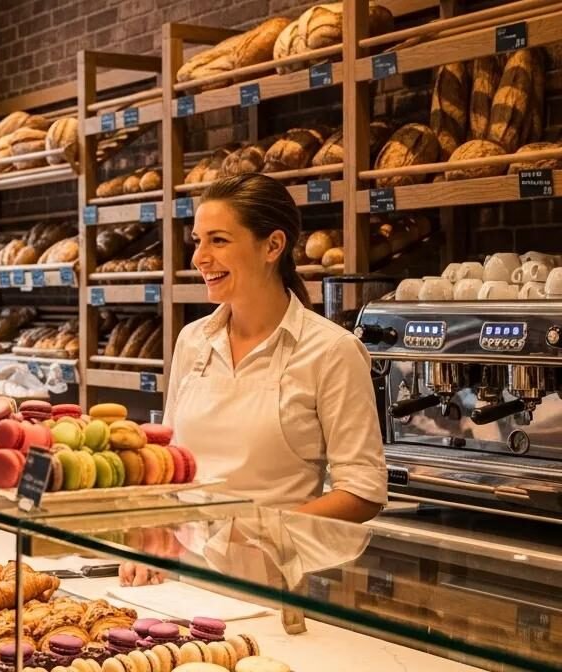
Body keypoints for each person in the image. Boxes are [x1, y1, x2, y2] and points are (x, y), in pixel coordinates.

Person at [121, 174, 386, 586]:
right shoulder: (193, 340)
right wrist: (150, 532)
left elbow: (362, 492)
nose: (199, 258)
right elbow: (171, 463)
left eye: (219, 241)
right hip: (174, 576)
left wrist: (259, 530)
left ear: (273, 246)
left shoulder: (331, 351)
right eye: (197, 241)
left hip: (268, 581)